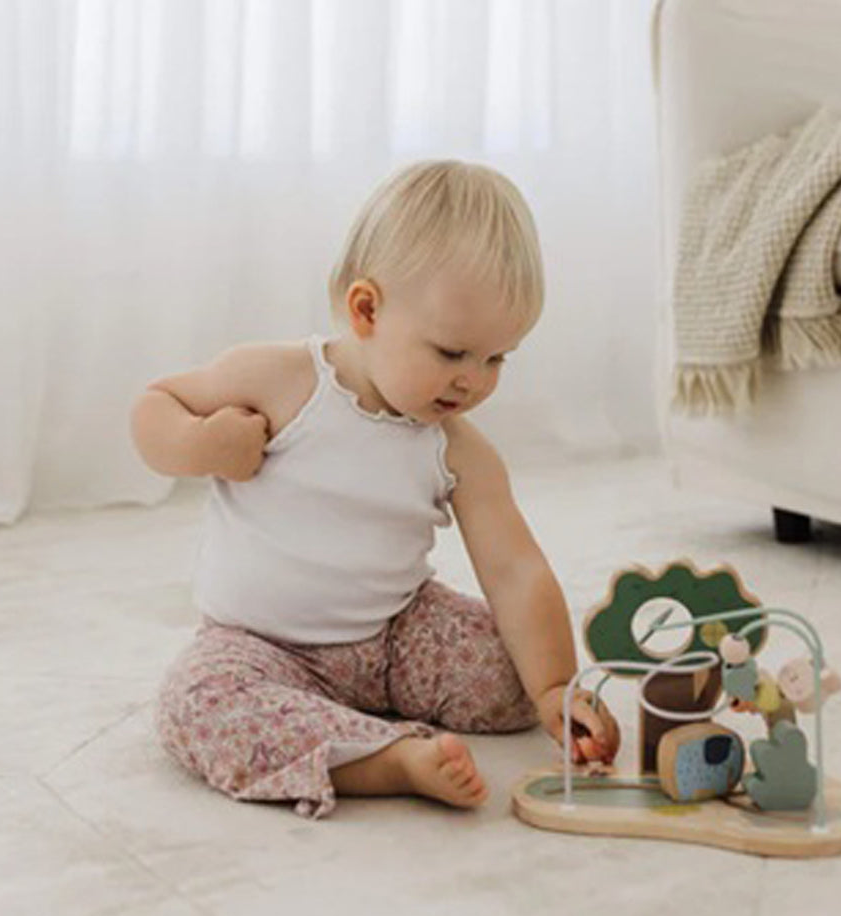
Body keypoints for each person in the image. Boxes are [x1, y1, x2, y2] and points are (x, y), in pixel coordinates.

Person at [131, 159, 620, 819]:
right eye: (452, 353)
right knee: (197, 705)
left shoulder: (457, 449)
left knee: (510, 673)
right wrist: (200, 445)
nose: (473, 381)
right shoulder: (279, 380)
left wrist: (555, 686)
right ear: (367, 310)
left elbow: (515, 570)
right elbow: (155, 406)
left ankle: (346, 722)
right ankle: (386, 759)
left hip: (393, 637)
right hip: (260, 643)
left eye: (496, 358)